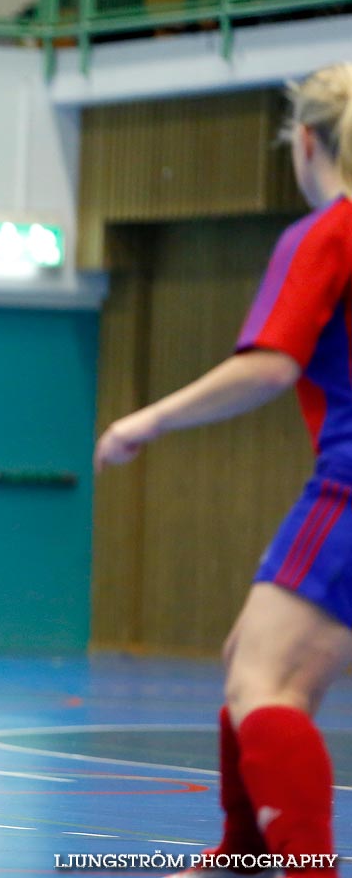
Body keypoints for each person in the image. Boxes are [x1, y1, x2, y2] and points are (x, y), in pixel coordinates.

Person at [95, 62, 352, 878]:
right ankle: (243, 852)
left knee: (265, 679)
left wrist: (148, 418)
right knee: (251, 651)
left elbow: (271, 366)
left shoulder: (328, 232)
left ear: (305, 144)